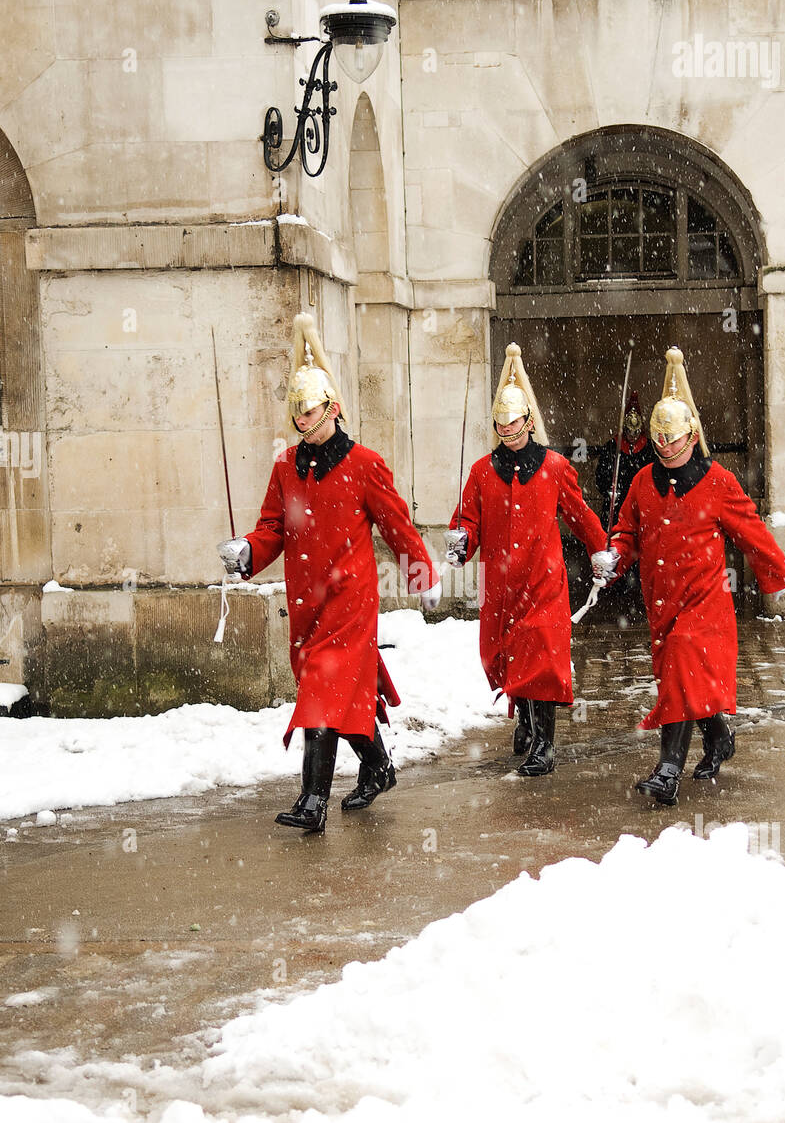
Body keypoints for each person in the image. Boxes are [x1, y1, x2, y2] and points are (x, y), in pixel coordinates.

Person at [218, 314, 440, 834]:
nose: (303, 423)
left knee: (322, 686)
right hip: (306, 600)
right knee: (341, 690)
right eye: (297, 415)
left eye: (311, 413)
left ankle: (312, 802)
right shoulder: (283, 466)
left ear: (333, 410)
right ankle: (379, 765)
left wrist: (422, 573)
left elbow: (397, 526)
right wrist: (247, 551)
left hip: (351, 596)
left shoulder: (365, 463)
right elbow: (271, 528)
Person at [591, 346, 785, 806]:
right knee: (684, 682)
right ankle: (719, 738)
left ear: (691, 435)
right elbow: (626, 532)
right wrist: (613, 556)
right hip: (662, 601)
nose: (663, 446)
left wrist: (772, 573)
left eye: (672, 439)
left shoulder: (718, 481)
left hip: (706, 603)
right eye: (659, 440)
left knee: (681, 666)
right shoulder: (642, 483)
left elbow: (751, 530)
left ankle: (667, 772)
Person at [445, 342, 606, 776]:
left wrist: (601, 548)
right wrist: (461, 540)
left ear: (529, 423)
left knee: (543, 657)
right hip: (500, 585)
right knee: (505, 655)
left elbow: (579, 513)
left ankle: (544, 744)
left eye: (514, 423)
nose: (507, 430)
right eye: (501, 424)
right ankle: (527, 721)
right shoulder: (481, 471)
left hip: (542, 580)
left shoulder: (554, 466)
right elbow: (468, 519)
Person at [594, 391, 652, 621]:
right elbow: (601, 475)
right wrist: (609, 487)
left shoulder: (648, 450)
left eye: (635, 431)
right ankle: (615, 584)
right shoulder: (612, 448)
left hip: (640, 506)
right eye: (629, 431)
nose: (632, 435)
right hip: (617, 503)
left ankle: (636, 583)